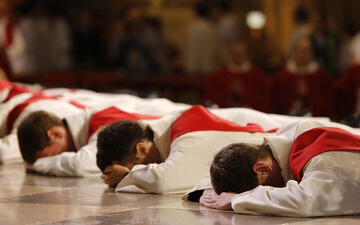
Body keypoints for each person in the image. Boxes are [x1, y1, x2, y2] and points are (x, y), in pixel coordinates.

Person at [96, 105, 303, 194]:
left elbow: (166, 180)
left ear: (142, 148)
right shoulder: (174, 126)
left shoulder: (189, 134)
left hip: (301, 144)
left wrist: (128, 174)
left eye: (134, 163)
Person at [200, 120, 360, 217]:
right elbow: (230, 165)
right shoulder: (280, 143)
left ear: (262, 170)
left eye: (256, 189)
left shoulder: (323, 160)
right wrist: (210, 194)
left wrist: (237, 199)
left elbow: (306, 201)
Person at [17, 106, 162, 176]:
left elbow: (81, 164)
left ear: (55, 134)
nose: (57, 158)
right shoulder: (91, 121)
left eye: (52, 156)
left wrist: (38, 165)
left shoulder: (103, 124)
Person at [272, 36, 335, 117]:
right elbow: (277, 102)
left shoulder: (321, 76)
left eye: (306, 51)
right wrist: (296, 96)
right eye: (301, 51)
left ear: (312, 53)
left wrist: (308, 94)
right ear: (295, 53)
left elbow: (327, 103)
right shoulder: (283, 75)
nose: (303, 55)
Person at [203, 41, 271, 112]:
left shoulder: (258, 76)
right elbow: (209, 100)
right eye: (234, 52)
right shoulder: (219, 75)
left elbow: (265, 102)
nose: (237, 55)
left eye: (241, 52)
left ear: (248, 54)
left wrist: (244, 94)